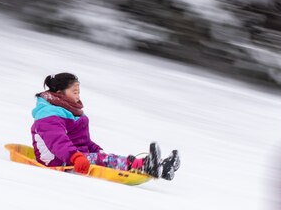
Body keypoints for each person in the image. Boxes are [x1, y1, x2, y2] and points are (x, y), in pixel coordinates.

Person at [31, 72, 181, 180]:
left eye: (79, 92)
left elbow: (84, 142)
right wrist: (75, 156)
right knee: (104, 160)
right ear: (59, 93)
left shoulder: (74, 114)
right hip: (57, 161)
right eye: (74, 92)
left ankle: (160, 167)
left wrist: (97, 151)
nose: (78, 96)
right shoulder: (48, 115)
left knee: (106, 157)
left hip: (76, 157)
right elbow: (57, 142)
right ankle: (146, 165)